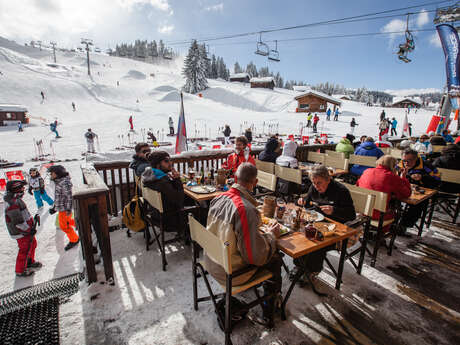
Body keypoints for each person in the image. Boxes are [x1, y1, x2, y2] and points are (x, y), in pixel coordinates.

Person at [205, 163, 282, 327]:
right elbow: (255, 256)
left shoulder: (218, 198)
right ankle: (269, 310)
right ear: (255, 182)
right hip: (230, 273)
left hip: (211, 261)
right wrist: (271, 237)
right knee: (276, 259)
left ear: (234, 179)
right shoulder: (245, 209)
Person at [296, 165, 355, 287]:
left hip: (336, 227)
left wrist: (334, 210)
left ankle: (313, 270)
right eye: (314, 183)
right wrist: (301, 201)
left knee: (316, 242)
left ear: (328, 179)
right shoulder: (314, 187)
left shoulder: (341, 191)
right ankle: (300, 266)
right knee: (299, 235)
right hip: (317, 222)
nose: (316, 186)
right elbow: (307, 204)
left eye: (319, 183)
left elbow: (351, 215)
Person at [357, 155, 411, 232]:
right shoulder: (391, 176)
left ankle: (371, 231)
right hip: (379, 215)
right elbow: (407, 193)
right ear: (393, 166)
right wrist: (404, 177)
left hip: (363, 209)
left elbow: (358, 184)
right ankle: (383, 233)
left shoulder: (367, 171)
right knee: (397, 210)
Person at [4, 180, 42, 277]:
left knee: (32, 244)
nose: (23, 190)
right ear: (16, 189)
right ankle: (20, 270)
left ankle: (29, 262)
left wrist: (31, 222)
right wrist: (28, 229)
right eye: (21, 188)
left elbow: (23, 215)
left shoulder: (16, 199)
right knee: (25, 248)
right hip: (21, 232)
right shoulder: (12, 202)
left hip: (26, 229)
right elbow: (18, 221)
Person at [142, 151, 185, 235]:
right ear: (158, 165)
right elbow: (179, 200)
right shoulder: (162, 181)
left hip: (155, 213)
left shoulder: (151, 175)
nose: (170, 163)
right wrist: (177, 179)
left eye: (170, 160)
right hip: (170, 219)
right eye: (166, 161)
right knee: (201, 209)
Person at [397, 149, 441, 232]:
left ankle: (403, 226)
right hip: (405, 189)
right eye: (404, 160)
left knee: (417, 205)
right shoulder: (400, 164)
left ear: (416, 159)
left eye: (409, 161)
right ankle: (392, 222)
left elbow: (437, 181)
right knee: (391, 199)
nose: (406, 163)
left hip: (422, 191)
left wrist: (422, 177)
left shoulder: (427, 166)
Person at [48, 165, 79, 251]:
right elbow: (58, 196)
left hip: (65, 208)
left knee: (64, 226)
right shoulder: (59, 181)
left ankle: (74, 239)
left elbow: (69, 197)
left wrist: (68, 209)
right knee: (67, 222)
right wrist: (54, 207)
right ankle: (78, 224)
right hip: (62, 207)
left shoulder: (64, 183)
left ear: (58, 173)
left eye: (52, 173)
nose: (51, 175)